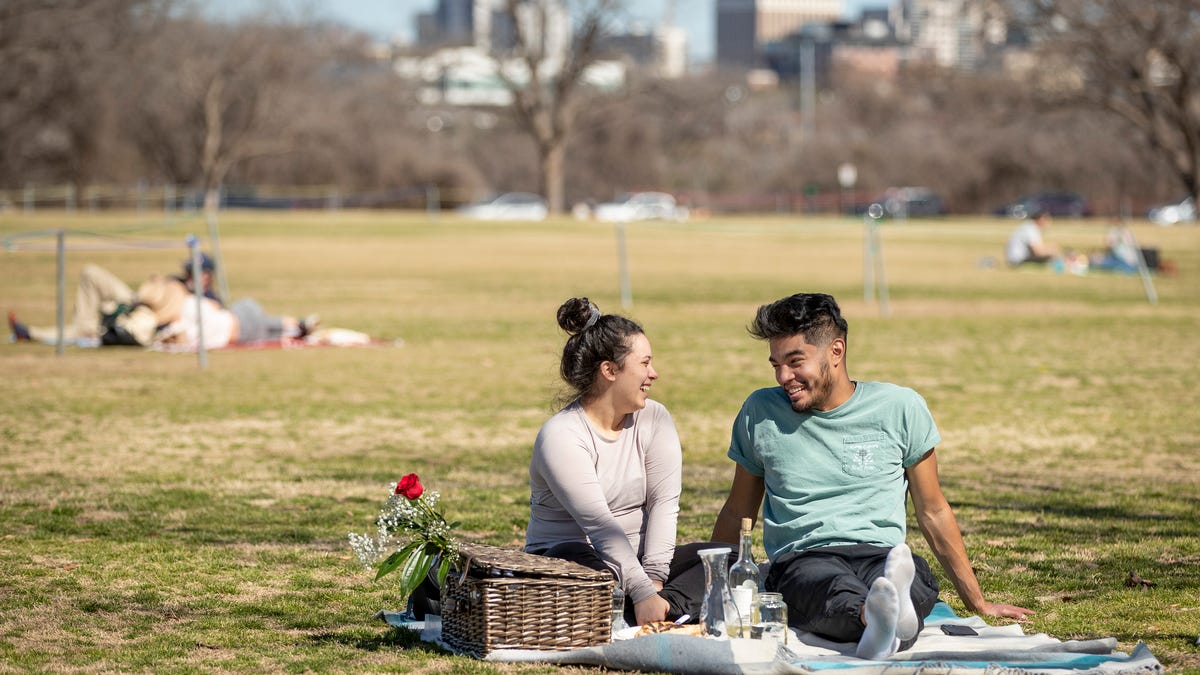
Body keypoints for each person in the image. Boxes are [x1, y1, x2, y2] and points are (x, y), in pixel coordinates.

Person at [711, 293, 1031, 659]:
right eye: (776, 365)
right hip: (805, 558)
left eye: (795, 361)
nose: (785, 376)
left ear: (836, 351)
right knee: (828, 588)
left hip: (882, 554)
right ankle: (879, 617)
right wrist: (706, 589)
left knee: (908, 580)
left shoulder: (900, 408)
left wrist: (978, 601)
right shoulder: (760, 412)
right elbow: (739, 513)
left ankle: (888, 611)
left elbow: (933, 510)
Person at [524, 297, 717, 627]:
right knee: (594, 582)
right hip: (573, 558)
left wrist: (654, 580)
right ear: (609, 370)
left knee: (727, 559)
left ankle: (650, 609)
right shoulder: (561, 436)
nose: (653, 374)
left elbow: (663, 503)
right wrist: (641, 591)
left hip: (639, 563)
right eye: (644, 363)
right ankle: (654, 609)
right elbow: (599, 526)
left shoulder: (655, 418)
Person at [8, 253, 223, 347]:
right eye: (187, 270)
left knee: (83, 328)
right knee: (90, 272)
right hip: (135, 301)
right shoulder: (176, 281)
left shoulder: (207, 300)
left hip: (142, 321)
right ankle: (84, 325)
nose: (187, 274)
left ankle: (31, 333)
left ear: (206, 276)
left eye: (192, 271)